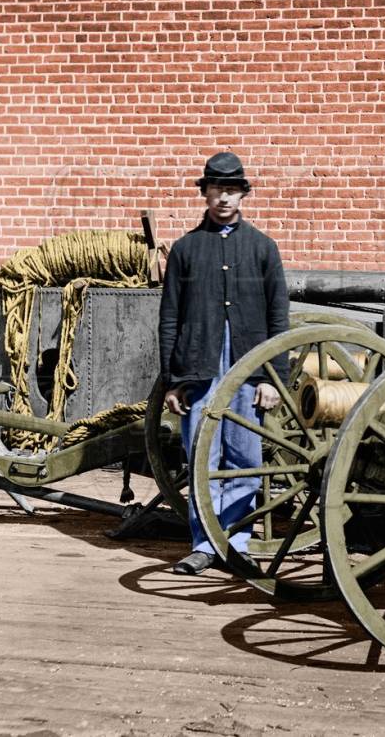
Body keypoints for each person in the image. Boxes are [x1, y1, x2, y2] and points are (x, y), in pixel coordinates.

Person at [158, 151, 290, 575]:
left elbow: (279, 320)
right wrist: (173, 382)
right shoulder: (186, 249)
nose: (224, 199)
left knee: (244, 458)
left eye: (232, 191)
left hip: (249, 372)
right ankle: (204, 544)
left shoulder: (263, 249)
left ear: (242, 195)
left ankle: (236, 542)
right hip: (200, 370)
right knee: (202, 456)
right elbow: (169, 319)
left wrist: (273, 377)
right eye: (217, 190)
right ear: (206, 193)